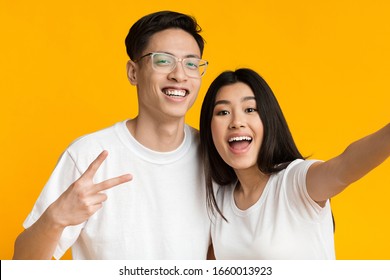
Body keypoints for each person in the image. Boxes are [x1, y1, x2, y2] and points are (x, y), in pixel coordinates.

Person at [13, 10, 211, 260]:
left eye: (191, 63)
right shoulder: (88, 156)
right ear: (133, 72)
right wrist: (55, 219)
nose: (180, 75)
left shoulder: (214, 156)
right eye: (163, 61)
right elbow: (21, 265)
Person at [199, 68, 390, 259]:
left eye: (250, 109)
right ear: (209, 128)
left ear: (269, 119)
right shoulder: (220, 200)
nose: (236, 122)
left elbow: (344, 166)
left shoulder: (294, 181)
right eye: (223, 112)